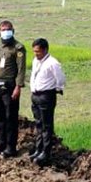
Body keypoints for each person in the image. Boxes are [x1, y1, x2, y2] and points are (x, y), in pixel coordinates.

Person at [0, 20, 26, 158]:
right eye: (3, 29)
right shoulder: (0, 47)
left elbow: (21, 70)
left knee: (11, 117)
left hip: (10, 86)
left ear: (13, 30)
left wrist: (18, 87)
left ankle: (11, 147)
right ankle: (1, 142)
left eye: (8, 29)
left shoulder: (18, 48)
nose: (6, 31)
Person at [29, 38, 66, 166]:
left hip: (46, 96)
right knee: (38, 124)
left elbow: (60, 79)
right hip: (35, 95)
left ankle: (46, 152)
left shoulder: (53, 63)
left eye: (38, 52)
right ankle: (38, 149)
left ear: (45, 50)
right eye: (34, 52)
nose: (36, 54)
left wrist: (56, 89)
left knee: (46, 126)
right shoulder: (36, 61)